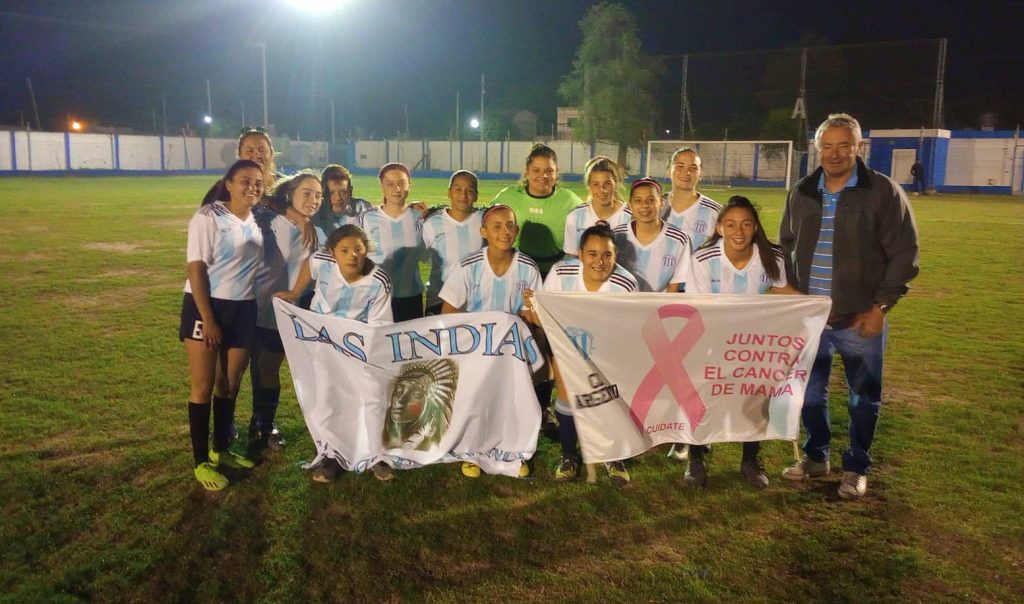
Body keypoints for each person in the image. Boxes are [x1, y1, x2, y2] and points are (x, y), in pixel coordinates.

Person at [779, 113, 919, 500]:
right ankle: (816, 455)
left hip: (860, 318)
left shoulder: (882, 192)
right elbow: (785, 246)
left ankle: (857, 466)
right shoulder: (803, 191)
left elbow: (904, 253)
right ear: (817, 149)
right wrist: (792, 293)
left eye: (844, 145)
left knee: (863, 397)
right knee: (808, 394)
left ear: (859, 148)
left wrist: (880, 307)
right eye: (827, 146)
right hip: (811, 319)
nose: (835, 154)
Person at [684, 196, 801, 489]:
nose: (739, 231)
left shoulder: (771, 256)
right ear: (720, 227)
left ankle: (751, 459)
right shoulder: (702, 259)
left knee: (754, 397)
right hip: (711, 340)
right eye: (731, 224)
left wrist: (819, 306)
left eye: (746, 224)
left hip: (753, 342)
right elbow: (695, 307)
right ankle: (696, 457)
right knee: (704, 398)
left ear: (756, 227)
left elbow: (783, 289)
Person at [276, 224, 395, 482]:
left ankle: (378, 454)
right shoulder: (324, 262)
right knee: (327, 398)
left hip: (358, 348)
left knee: (372, 398)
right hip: (321, 345)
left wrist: (362, 351)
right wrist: (296, 293)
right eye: (345, 250)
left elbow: (380, 326)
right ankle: (332, 455)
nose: (352, 255)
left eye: (358, 249)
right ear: (333, 253)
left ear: (366, 251)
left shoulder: (379, 281)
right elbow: (310, 263)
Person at [180, 159, 265, 491]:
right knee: (203, 386)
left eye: (258, 183)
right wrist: (209, 320)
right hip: (207, 307)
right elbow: (196, 269)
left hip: (243, 309)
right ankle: (201, 461)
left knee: (229, 384)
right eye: (245, 181)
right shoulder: (209, 216)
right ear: (228, 183)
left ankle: (221, 449)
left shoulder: (255, 221)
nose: (252, 187)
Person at [439, 204, 542, 479]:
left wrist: (531, 308)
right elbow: (448, 313)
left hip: (510, 352)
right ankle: (471, 451)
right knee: (475, 401)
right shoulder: (468, 266)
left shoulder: (528, 268)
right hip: (475, 351)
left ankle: (512, 451)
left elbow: (533, 319)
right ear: (483, 231)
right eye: (496, 226)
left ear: (516, 230)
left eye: (509, 225)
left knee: (511, 400)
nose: (504, 231)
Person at [542, 223, 638, 484]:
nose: (600, 261)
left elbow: (630, 329)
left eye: (607, 254)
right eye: (592, 254)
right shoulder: (561, 274)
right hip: (568, 347)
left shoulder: (626, 284)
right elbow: (544, 313)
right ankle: (569, 456)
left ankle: (612, 455)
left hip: (608, 352)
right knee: (566, 400)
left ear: (615, 256)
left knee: (609, 400)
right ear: (580, 254)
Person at [247, 171, 323, 457]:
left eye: (318, 195)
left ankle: (265, 426)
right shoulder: (265, 218)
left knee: (270, 367)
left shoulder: (318, 232)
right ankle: (245, 426)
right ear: (290, 193)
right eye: (307, 193)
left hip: (288, 309)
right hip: (255, 304)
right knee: (252, 366)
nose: (313, 200)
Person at [492, 143, 583, 276]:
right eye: (536, 170)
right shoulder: (508, 196)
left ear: (557, 172)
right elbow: (482, 219)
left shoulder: (570, 201)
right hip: (515, 272)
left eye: (549, 170)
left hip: (554, 273)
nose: (543, 176)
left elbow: (593, 219)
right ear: (526, 172)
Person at [360, 163, 427, 321]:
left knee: (410, 344)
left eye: (401, 183)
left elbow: (425, 256)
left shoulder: (419, 217)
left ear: (409, 185)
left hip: (411, 295)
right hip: (377, 296)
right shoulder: (366, 218)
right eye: (390, 184)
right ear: (382, 186)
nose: (396, 189)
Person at [612, 178, 692, 293]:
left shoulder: (679, 239)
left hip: (661, 307)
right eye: (638, 200)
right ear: (630, 205)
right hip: (625, 305)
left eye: (651, 200)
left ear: (661, 204)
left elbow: (675, 285)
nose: (644, 205)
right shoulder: (617, 236)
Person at [422, 170, 484, 315]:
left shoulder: (485, 221)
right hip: (439, 299)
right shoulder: (431, 223)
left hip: (475, 301)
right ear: (449, 193)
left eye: (469, 190)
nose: (463, 195)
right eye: (458, 190)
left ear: (476, 195)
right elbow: (418, 258)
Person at [563, 156, 631, 256]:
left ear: (615, 184)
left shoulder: (629, 217)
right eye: (596, 184)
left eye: (607, 183)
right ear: (589, 186)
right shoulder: (575, 217)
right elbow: (571, 256)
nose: (602, 189)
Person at [661, 147, 722, 250]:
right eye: (680, 166)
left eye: (693, 168)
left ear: (701, 175)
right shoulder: (654, 207)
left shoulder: (716, 212)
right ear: (669, 170)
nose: (686, 172)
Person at [201, 127, 279, 206]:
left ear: (272, 154)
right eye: (250, 151)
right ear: (240, 155)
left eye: (262, 150)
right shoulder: (224, 188)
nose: (256, 154)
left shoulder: (286, 186)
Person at [315, 163, 372, 233]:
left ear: (350, 191)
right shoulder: (314, 210)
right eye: (331, 193)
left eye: (343, 192)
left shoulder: (362, 207)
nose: (338, 198)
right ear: (322, 192)